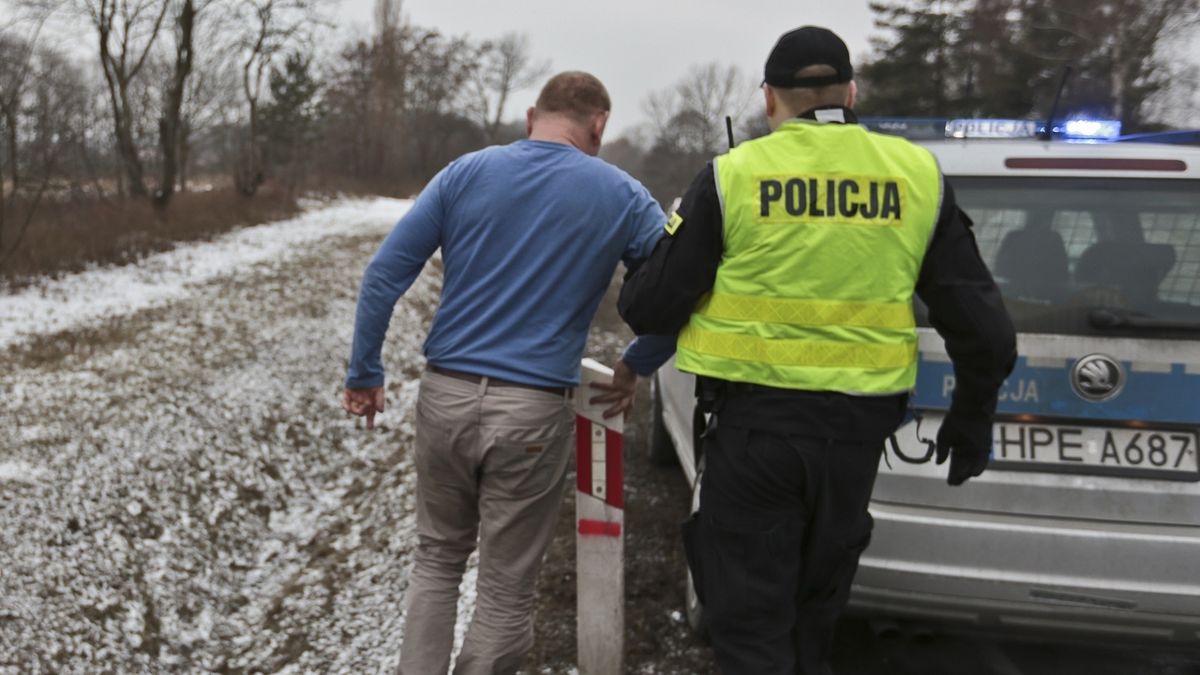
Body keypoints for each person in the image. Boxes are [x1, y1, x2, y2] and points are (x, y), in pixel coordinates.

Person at [618, 26, 1017, 675]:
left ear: (770, 98)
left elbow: (648, 308)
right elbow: (987, 331)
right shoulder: (915, 175)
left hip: (755, 437)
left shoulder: (734, 175)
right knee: (813, 622)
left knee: (750, 626)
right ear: (851, 92)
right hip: (854, 446)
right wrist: (972, 419)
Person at [342, 71, 672, 675]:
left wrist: (365, 372)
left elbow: (384, 276)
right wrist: (635, 364)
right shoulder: (623, 195)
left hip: (443, 395)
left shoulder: (465, 172)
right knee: (505, 585)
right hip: (530, 411)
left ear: (531, 116)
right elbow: (678, 288)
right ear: (598, 125)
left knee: (437, 561)